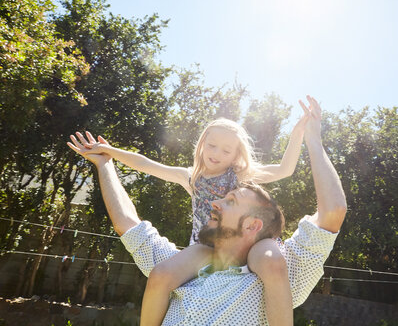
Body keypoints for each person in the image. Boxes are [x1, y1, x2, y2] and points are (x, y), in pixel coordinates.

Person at [67, 95, 347, 326]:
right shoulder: (191, 177)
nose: (216, 153)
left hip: (246, 248)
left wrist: (300, 134)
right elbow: (146, 164)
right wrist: (109, 153)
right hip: (204, 246)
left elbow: (285, 170)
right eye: (211, 145)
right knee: (162, 275)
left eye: (226, 150)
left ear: (236, 155)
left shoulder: (240, 175)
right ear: (201, 144)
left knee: (272, 260)